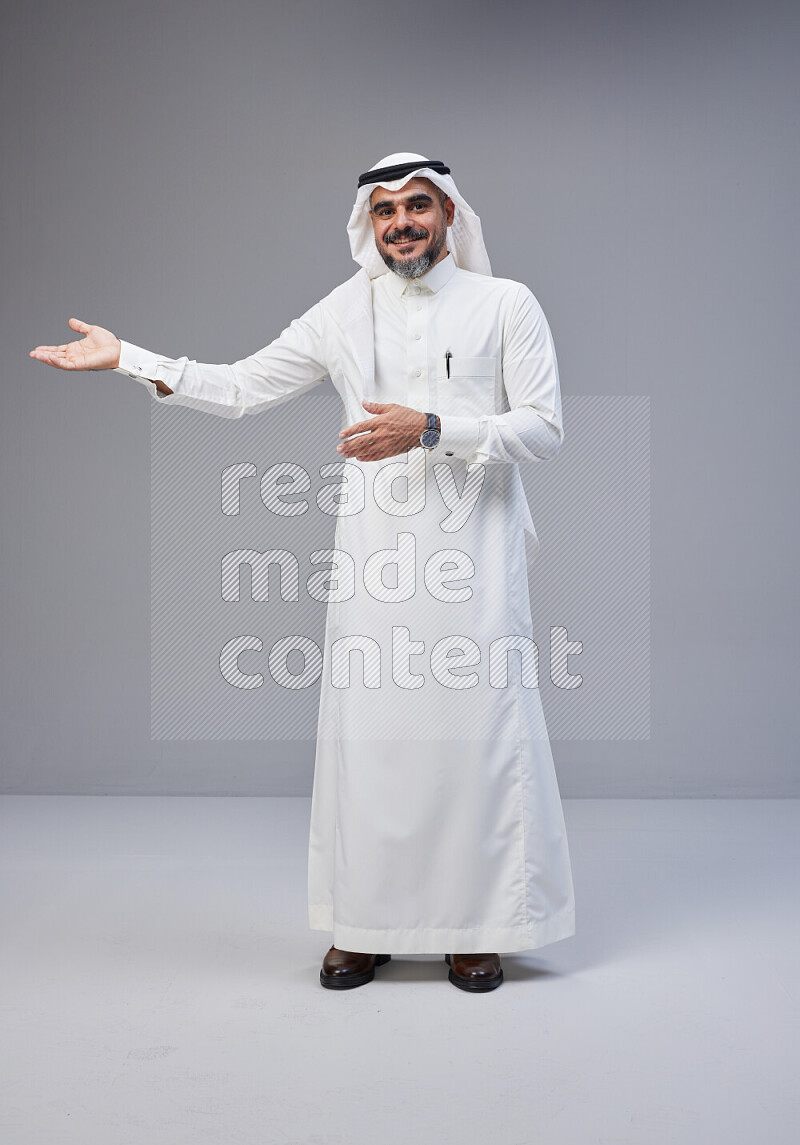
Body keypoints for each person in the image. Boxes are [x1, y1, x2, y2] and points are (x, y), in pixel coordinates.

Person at [30, 152, 575, 993]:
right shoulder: (342, 314)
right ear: (368, 224)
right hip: (375, 560)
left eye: (418, 206)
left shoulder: (507, 305)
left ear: (450, 215)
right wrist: (128, 358)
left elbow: (541, 428)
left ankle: (477, 926)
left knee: (474, 738)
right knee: (374, 741)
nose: (402, 222)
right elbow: (242, 386)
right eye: (386, 209)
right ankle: (367, 924)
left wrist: (432, 426)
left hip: (476, 559)